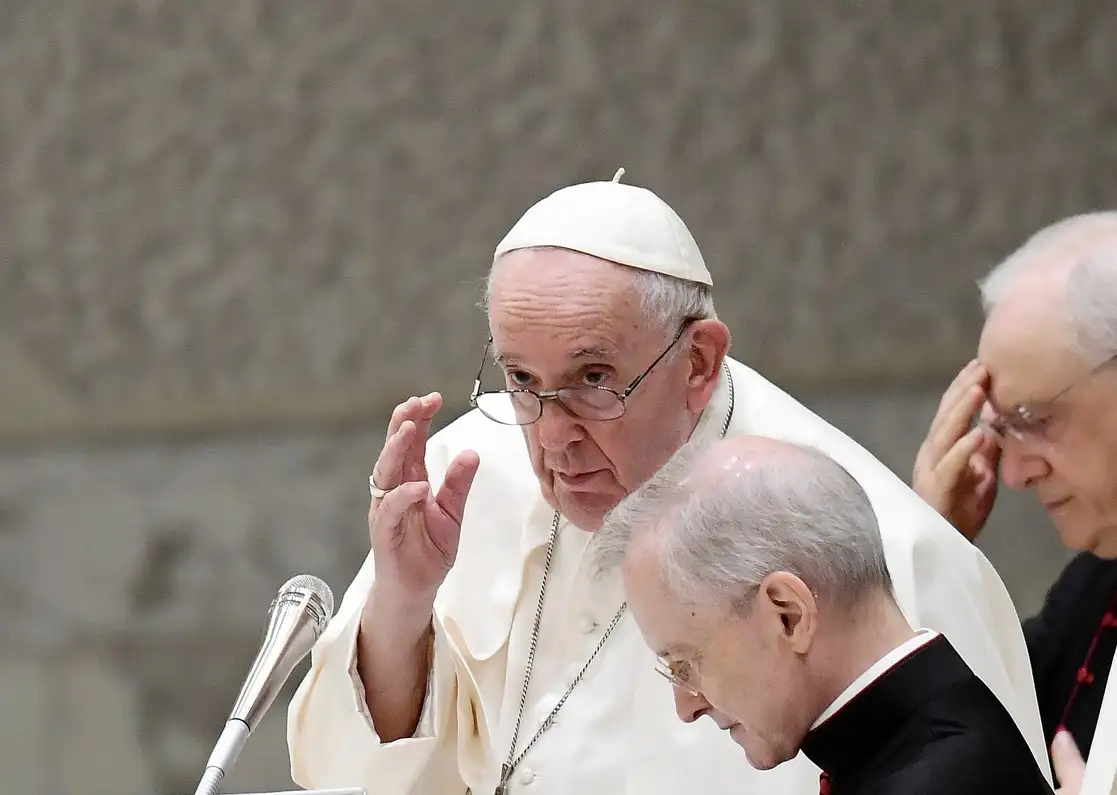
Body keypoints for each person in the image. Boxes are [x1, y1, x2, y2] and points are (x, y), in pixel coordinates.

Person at [286, 169, 1051, 795]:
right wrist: (403, 599)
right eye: (521, 379)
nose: (552, 436)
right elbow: (348, 776)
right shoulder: (467, 475)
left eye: (594, 378)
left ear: (698, 363)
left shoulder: (879, 544)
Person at [591, 435, 1054, 794]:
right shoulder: (928, 743)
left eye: (685, 664)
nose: (686, 706)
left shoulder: (941, 780)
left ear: (788, 615)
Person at [911, 212, 1117, 788]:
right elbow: (972, 740)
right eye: (1001, 430)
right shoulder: (1092, 590)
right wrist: (935, 548)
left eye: (1036, 420)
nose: (1017, 474)